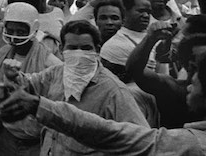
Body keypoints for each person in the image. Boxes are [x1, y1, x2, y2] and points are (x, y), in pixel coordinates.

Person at [0, 44, 206, 155]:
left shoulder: (192, 143)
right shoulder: (56, 73)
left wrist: (40, 106)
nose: (188, 85)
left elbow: (114, 134)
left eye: (194, 81)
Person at [12, 20, 149, 155]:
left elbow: (141, 139)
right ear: (61, 50)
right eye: (72, 48)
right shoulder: (57, 72)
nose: (79, 53)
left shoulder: (113, 91)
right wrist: (13, 75)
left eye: (86, 48)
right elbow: (30, 84)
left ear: (97, 50)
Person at [0, 0, 62, 156]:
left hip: (38, 142)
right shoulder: (1, 57)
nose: (14, 37)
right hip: (8, 138)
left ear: (33, 29)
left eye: (21, 32)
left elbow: (56, 110)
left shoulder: (51, 63)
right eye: (11, 30)